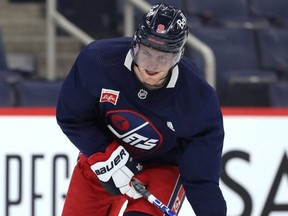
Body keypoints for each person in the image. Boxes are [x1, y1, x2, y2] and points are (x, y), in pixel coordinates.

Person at [56, 3, 227, 216]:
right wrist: (104, 153)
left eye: (163, 57)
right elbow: (72, 117)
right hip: (104, 154)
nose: (151, 65)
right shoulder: (98, 61)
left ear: (178, 55)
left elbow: (202, 179)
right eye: (146, 53)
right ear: (135, 44)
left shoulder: (197, 98)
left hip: (162, 169)